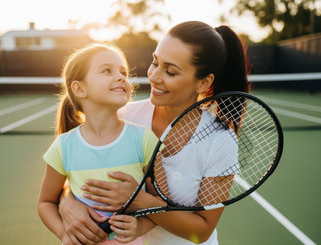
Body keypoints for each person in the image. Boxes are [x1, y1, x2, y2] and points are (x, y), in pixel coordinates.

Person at [58, 21, 250, 245]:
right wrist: (67, 203)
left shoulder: (221, 140)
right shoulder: (123, 117)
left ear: (203, 82)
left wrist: (141, 201)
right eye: (155, 63)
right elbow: (77, 175)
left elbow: (203, 229)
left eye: (170, 71)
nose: (154, 76)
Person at [37, 43, 160, 244]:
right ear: (79, 88)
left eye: (123, 72)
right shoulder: (63, 146)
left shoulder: (143, 139)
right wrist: (64, 234)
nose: (121, 77)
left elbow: (159, 203)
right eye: (107, 71)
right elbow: (46, 202)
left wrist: (140, 227)